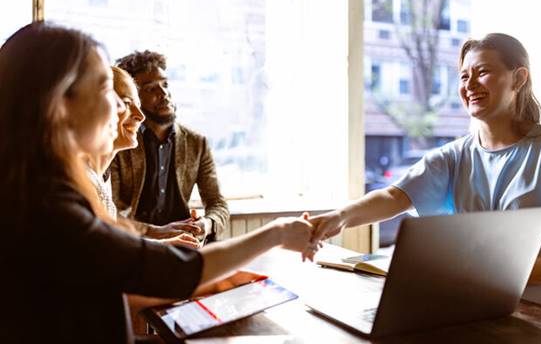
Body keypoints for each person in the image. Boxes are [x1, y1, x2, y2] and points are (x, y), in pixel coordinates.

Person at [0, 22, 315, 343]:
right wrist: (277, 233)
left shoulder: (32, 192)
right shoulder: (50, 208)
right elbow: (173, 272)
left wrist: (214, 273)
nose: (123, 108)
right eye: (106, 89)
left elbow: (100, 295)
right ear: (59, 105)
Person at [306, 33, 541, 316]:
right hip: (488, 311)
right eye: (463, 76)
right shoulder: (455, 156)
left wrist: (478, 276)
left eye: (482, 72)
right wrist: (336, 219)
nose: (469, 85)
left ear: (519, 78)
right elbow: (393, 196)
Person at [111, 50, 228, 243]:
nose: (164, 94)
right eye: (151, 89)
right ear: (134, 99)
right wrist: (158, 232)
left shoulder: (197, 142)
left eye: (165, 84)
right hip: (138, 244)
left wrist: (206, 225)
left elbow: (218, 204)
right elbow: (109, 212)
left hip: (187, 243)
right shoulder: (121, 143)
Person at [86, 66, 201, 248]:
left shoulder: (99, 177)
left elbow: (110, 246)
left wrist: (165, 244)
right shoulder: (80, 181)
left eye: (138, 106)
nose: (140, 116)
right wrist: (161, 243)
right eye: (124, 103)